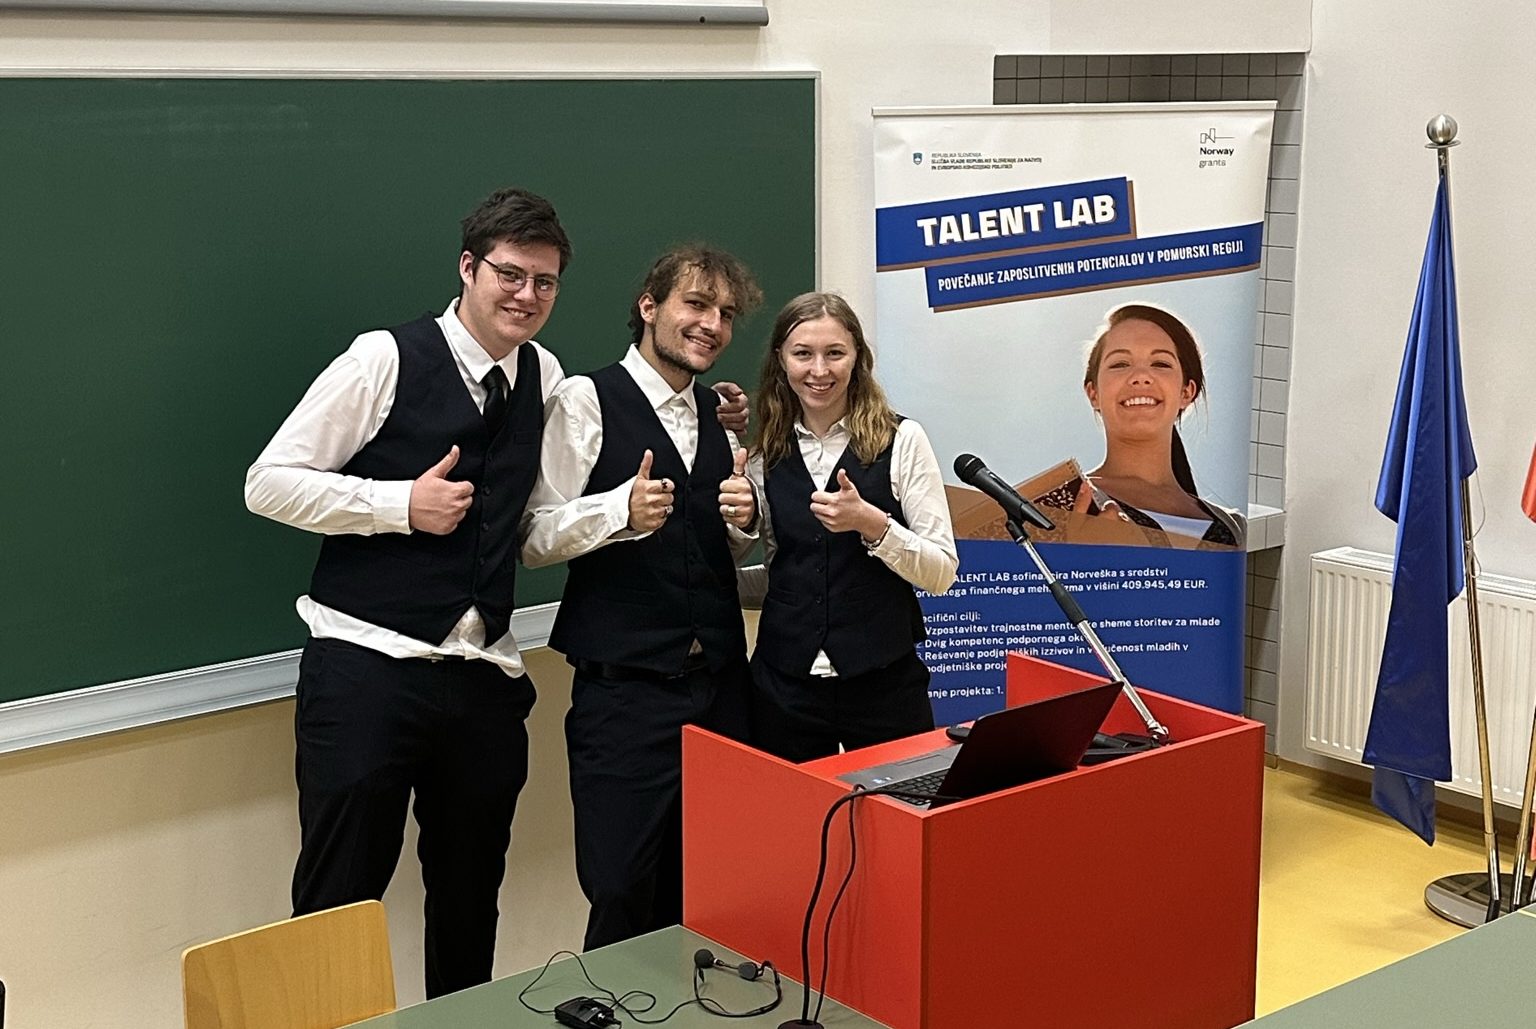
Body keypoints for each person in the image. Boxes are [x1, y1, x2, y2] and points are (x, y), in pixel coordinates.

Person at [244, 189, 746, 995]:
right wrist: (396, 503)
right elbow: (267, 482)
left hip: (483, 676)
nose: (526, 296)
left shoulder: (543, 374)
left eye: (545, 283)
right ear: (468, 267)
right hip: (369, 665)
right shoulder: (385, 357)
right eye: (509, 275)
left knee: (472, 900)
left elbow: (538, 518)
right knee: (340, 899)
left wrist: (709, 423)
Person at [520, 244, 763, 951]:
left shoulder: (717, 412)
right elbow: (532, 537)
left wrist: (743, 521)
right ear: (649, 307)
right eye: (695, 304)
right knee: (622, 887)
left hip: (721, 684)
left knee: (717, 886)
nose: (711, 324)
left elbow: (710, 545)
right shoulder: (585, 400)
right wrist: (615, 513)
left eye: (723, 313)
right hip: (626, 696)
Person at [744, 292, 957, 763]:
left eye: (834, 353)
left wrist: (875, 526)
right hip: (784, 687)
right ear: (781, 360)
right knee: (794, 827)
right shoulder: (763, 454)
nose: (819, 370)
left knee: (902, 819)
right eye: (802, 354)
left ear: (858, 357)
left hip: (885, 684)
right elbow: (779, 568)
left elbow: (941, 572)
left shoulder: (903, 440)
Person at [1076, 303, 1246, 548]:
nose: (1141, 376)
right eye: (1120, 364)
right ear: (1093, 394)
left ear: (1187, 392)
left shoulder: (1233, 527)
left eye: (1160, 364)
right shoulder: (1063, 504)